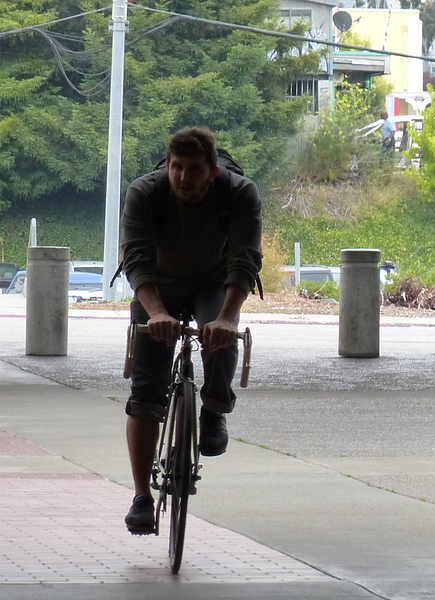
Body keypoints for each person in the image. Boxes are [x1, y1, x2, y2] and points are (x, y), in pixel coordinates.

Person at [120, 127, 262, 534]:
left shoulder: (239, 193)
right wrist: (155, 313)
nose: (183, 177)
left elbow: (245, 259)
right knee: (146, 392)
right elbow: (137, 259)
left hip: (213, 282)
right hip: (158, 285)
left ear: (213, 170)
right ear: (167, 165)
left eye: (194, 169)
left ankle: (215, 407)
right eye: (176, 168)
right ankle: (141, 497)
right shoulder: (145, 193)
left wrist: (227, 319)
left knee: (220, 335)